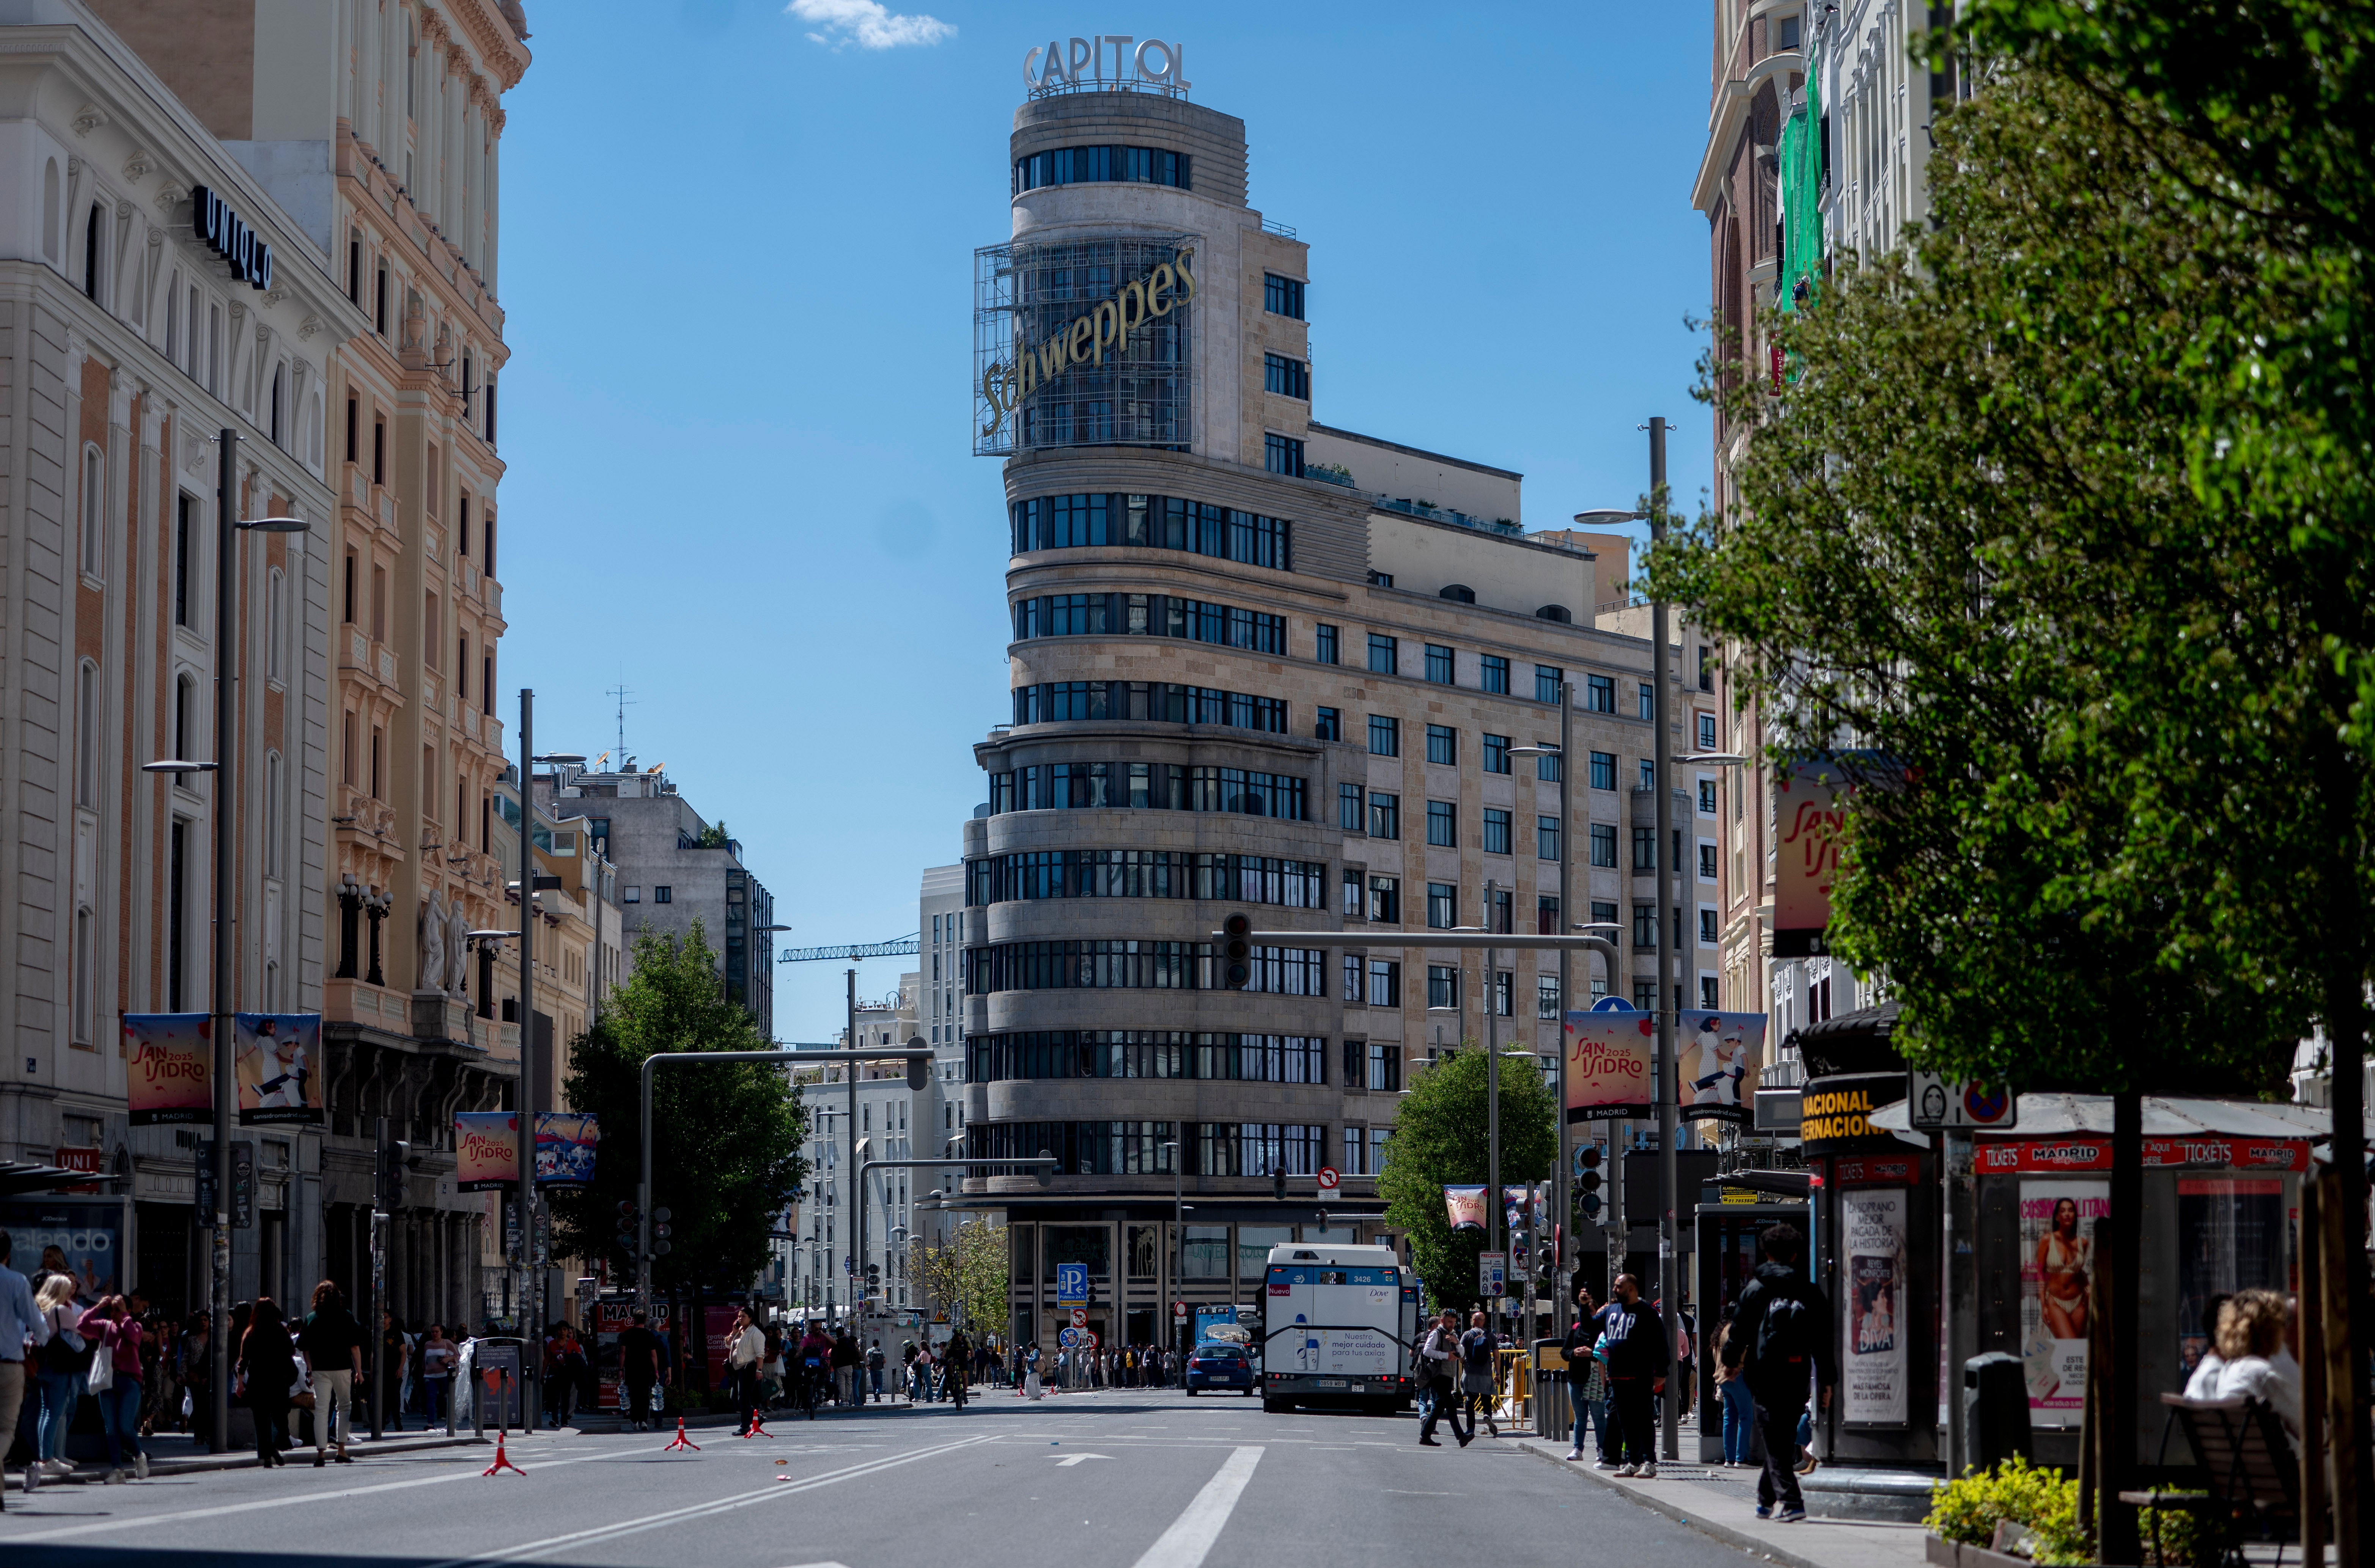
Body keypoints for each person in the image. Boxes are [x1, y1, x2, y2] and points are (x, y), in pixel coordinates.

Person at [1721, 1224, 1837, 1522]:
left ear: (1767, 1253)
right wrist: (1827, 1381)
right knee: (1781, 1437)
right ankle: (1764, 1500)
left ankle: (1792, 1501)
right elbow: (1824, 1340)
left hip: (1764, 1374)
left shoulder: (1756, 1289)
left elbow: (1738, 1332)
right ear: (1796, 1254)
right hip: (1797, 1375)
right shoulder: (1809, 1291)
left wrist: (1730, 1362)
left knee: (1775, 1437)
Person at [1, 1229, 55, 1503]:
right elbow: (36, 1322)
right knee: (7, 1429)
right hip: (9, 1364)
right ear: (8, 1254)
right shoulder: (16, 1281)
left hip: (12, 1362)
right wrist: (42, 1339)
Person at [2207, 1288, 2302, 1440]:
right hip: (2289, 1463)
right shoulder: (2262, 1374)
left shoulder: (2229, 1370)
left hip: (2246, 1461)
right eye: (2282, 1323)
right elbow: (2313, 1430)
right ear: (2271, 1330)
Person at [1600, 1274, 1670, 1478]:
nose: (1615, 1290)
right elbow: (1595, 1328)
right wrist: (1587, 1307)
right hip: (1617, 1377)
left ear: (1631, 1289)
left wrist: (1661, 1372)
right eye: (1614, 1286)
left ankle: (1649, 1461)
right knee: (1626, 1421)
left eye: (1619, 1286)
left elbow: (1661, 1343)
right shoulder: (1612, 1311)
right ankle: (1633, 1461)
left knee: (1643, 1419)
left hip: (1640, 1376)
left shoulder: (1647, 1313)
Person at [298, 1282, 363, 1467]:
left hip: (320, 1370)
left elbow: (305, 1348)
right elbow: (355, 1347)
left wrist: (310, 1368)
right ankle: (341, 1450)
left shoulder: (312, 1318)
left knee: (321, 1410)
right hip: (342, 1368)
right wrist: (359, 1372)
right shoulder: (346, 1316)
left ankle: (320, 1453)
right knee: (344, 1406)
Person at [33, 1271, 85, 1476]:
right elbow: (81, 1331)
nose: (69, 1295)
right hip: (59, 1367)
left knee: (45, 1412)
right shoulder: (61, 1311)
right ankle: (48, 1459)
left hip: (43, 1365)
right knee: (55, 1413)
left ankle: (43, 1457)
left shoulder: (41, 1308)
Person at [239, 1296, 299, 1467]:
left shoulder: (250, 1332)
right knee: (280, 1416)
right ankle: (277, 1445)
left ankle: (267, 1456)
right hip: (279, 1381)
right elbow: (291, 1351)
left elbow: (244, 1360)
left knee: (261, 1421)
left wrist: (240, 1383)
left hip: (258, 1382)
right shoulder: (281, 1331)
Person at [1560, 1287, 1612, 1464]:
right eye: (1587, 1311)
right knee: (1580, 1416)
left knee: (1598, 1415)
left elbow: (1608, 1352)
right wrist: (1574, 1352)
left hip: (1596, 1376)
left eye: (1592, 1311)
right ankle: (1577, 1449)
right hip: (1576, 1377)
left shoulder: (1602, 1331)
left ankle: (1602, 1449)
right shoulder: (1575, 1330)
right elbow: (1564, 1351)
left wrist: (1592, 1353)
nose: (1589, 1315)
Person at [2035, 1197, 2091, 1341]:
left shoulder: (2082, 1243)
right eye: (2063, 1211)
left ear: (2075, 1216)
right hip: (2055, 1301)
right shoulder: (2047, 1240)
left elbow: (2078, 1273)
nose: (2067, 1214)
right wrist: (2044, 1305)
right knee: (2069, 1341)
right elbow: (2040, 1273)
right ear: (2057, 1217)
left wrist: (2089, 1288)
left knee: (2076, 1348)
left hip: (2080, 1301)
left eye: (2071, 1211)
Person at [1417, 1309, 1471, 1447]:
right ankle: (1461, 1436)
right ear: (1442, 1321)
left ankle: (1425, 1436)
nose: (1452, 1325)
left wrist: (1457, 1343)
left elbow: (1462, 1353)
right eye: (1449, 1322)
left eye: (1453, 1322)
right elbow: (1427, 1351)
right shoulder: (1437, 1334)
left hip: (1448, 1376)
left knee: (1439, 1407)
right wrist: (1446, 1355)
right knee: (1451, 1406)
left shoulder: (1452, 1335)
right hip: (1438, 1375)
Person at [1714, 1316, 1756, 1467]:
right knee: (1746, 1417)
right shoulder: (1736, 1330)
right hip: (1736, 1376)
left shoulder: (1720, 1333)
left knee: (1729, 1419)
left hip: (1722, 1378)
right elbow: (1744, 1350)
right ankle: (1741, 1459)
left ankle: (1729, 1459)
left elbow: (1716, 1354)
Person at [619, 1308, 664, 1429]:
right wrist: (656, 1371)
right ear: (645, 1321)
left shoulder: (627, 1334)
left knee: (633, 1395)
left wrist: (621, 1369)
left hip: (632, 1369)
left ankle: (634, 1420)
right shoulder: (649, 1335)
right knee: (644, 1394)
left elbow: (623, 1352)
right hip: (646, 1369)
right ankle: (644, 1421)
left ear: (634, 1320)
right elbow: (653, 1354)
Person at [1461, 1310, 1501, 1438]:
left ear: (1473, 1321)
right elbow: (1497, 1356)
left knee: (1470, 1401)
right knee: (1486, 1398)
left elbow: (1460, 1353)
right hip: (1486, 1373)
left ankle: (1470, 1429)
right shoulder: (1491, 1336)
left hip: (1470, 1372)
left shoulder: (1467, 1335)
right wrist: (1498, 1374)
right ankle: (1487, 1416)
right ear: (1483, 1322)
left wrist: (1464, 1362)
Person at [724, 1307, 764, 1434]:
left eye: (744, 1317)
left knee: (743, 1397)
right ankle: (757, 1417)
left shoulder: (756, 1333)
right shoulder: (739, 1330)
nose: (740, 1319)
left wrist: (759, 1370)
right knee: (735, 1398)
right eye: (739, 1316)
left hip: (749, 1367)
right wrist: (733, 1331)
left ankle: (745, 1426)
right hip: (737, 1368)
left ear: (751, 1318)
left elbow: (760, 1354)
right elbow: (728, 1344)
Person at [418, 1324, 457, 1425]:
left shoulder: (447, 1343)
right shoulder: (427, 1344)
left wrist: (447, 1359)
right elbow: (425, 1360)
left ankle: (449, 1422)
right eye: (433, 1332)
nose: (435, 1334)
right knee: (431, 1397)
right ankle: (430, 1423)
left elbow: (457, 1356)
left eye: (437, 1332)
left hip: (444, 1375)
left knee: (446, 1398)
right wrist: (424, 1372)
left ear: (441, 1332)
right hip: (430, 1376)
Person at [944, 1328, 971, 1410]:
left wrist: (973, 1358)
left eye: (960, 1335)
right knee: (950, 1363)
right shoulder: (952, 1341)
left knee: (965, 1376)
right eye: (957, 1336)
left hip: (963, 1359)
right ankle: (953, 1377)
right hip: (955, 1358)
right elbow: (945, 1350)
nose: (959, 1337)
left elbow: (972, 1349)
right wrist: (942, 1359)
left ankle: (965, 1395)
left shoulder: (966, 1339)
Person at [867, 1338, 886, 1403]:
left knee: (874, 1384)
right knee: (880, 1384)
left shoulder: (870, 1351)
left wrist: (867, 1366)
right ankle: (878, 1392)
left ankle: (876, 1398)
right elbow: (885, 1361)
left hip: (872, 1369)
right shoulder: (881, 1351)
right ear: (879, 1344)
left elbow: (865, 1357)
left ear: (872, 1344)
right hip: (880, 1370)